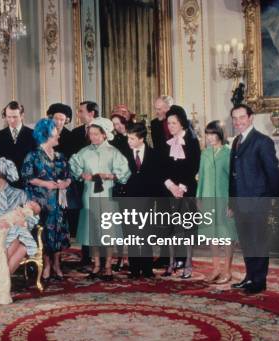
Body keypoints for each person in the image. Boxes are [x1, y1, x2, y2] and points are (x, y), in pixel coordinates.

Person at [69, 117, 131, 281]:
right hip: (89, 194)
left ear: (104, 134)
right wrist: (83, 175)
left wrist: (109, 175)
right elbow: (74, 167)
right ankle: (96, 264)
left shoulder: (113, 152)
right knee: (93, 231)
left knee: (108, 231)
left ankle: (108, 265)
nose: (93, 137)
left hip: (107, 194)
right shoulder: (84, 152)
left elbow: (124, 173)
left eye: (96, 134)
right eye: (91, 134)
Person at [229, 104, 279, 294]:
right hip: (240, 203)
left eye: (242, 117)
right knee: (246, 242)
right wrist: (231, 202)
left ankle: (259, 281)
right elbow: (233, 175)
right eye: (234, 118)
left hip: (258, 201)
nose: (238, 122)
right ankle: (250, 277)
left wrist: (272, 199)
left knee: (258, 242)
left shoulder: (263, 141)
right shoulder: (236, 141)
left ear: (251, 118)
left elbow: (273, 173)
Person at [22, 118, 71, 281]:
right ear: (46, 135)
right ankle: (47, 264)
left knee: (58, 233)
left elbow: (68, 177)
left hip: (58, 202)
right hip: (41, 202)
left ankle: (57, 263)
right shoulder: (33, 156)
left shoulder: (60, 156)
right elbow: (28, 177)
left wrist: (65, 183)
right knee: (44, 234)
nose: (58, 136)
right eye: (55, 133)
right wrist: (45, 184)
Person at [160, 105, 201, 279]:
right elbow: (162, 169)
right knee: (170, 228)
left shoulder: (192, 141)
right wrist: (171, 186)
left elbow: (193, 167)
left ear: (182, 123)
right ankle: (171, 263)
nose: (171, 126)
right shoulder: (166, 142)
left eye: (174, 123)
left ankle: (188, 263)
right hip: (170, 191)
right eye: (168, 123)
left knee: (187, 228)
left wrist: (181, 188)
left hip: (187, 190)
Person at [0, 158, 39, 271]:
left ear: (2, 176)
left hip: (18, 233)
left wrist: (24, 222)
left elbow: (33, 216)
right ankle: (1, 281)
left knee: (22, 243)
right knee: (19, 244)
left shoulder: (19, 194)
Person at [196, 120, 238, 285]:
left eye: (213, 134)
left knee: (227, 236)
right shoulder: (204, 154)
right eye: (207, 134)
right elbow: (201, 178)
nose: (209, 137)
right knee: (212, 236)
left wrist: (232, 203)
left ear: (220, 134)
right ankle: (216, 268)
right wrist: (199, 198)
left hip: (224, 199)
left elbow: (233, 180)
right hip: (207, 199)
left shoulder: (229, 153)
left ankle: (227, 270)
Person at [124, 123, 162, 279]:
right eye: (128, 138)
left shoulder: (154, 155)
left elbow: (158, 178)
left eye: (132, 139)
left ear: (141, 139)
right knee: (132, 234)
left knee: (146, 234)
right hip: (129, 199)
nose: (129, 141)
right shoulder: (124, 153)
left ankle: (147, 268)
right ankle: (134, 269)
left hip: (148, 199)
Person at [67, 101, 98, 268]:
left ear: (92, 113)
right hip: (82, 184)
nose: (78, 114)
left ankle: (100, 259)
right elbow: (73, 159)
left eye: (81, 111)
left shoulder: (104, 130)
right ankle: (86, 256)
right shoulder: (76, 133)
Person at [0, 101, 37, 187]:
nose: (12, 120)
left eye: (15, 117)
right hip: (5, 185)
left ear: (22, 115)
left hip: (27, 184)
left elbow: (37, 161)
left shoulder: (33, 134)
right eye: (9, 117)